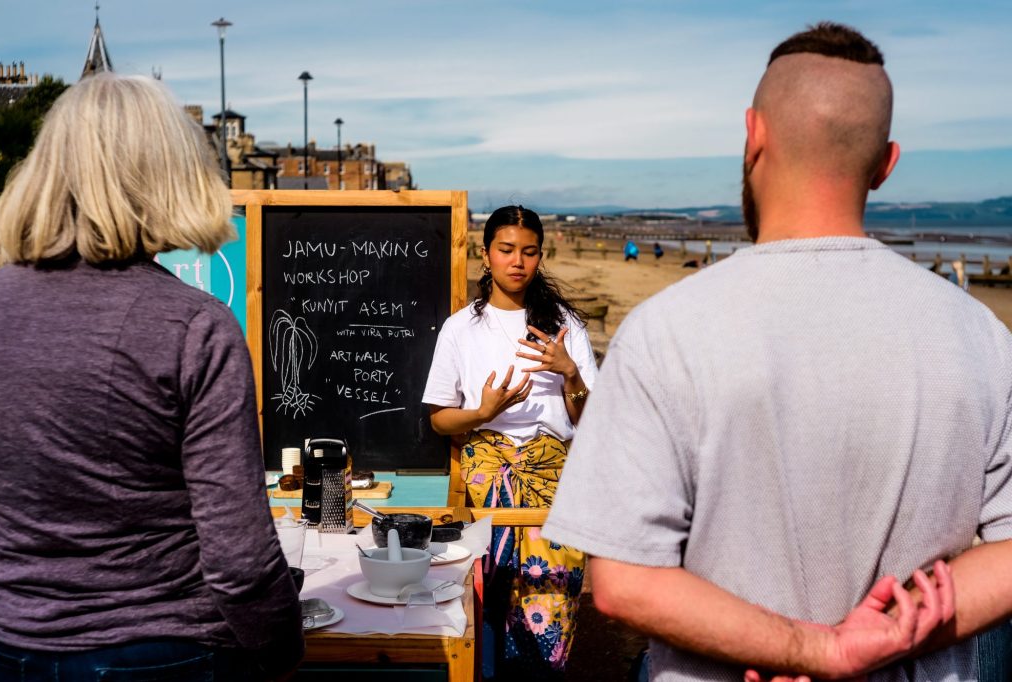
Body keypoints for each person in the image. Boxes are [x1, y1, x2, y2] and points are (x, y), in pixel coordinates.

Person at [544, 22, 1012, 681]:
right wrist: (880, 639)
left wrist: (814, 650)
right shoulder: (979, 335)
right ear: (886, 164)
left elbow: (624, 581)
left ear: (753, 135)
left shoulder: (666, 332)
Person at [0, 74, 303, 680]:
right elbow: (239, 560)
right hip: (166, 646)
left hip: (15, 643)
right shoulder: (192, 326)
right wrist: (283, 652)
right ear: (169, 175)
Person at [422, 205, 598, 679]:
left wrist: (570, 373)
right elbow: (439, 420)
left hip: (552, 484)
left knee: (551, 593)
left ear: (540, 256)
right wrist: (483, 413)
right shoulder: (461, 328)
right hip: (485, 485)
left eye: (529, 251)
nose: (517, 261)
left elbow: (591, 422)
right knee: (485, 596)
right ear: (485, 255)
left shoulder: (565, 327)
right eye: (506, 249)